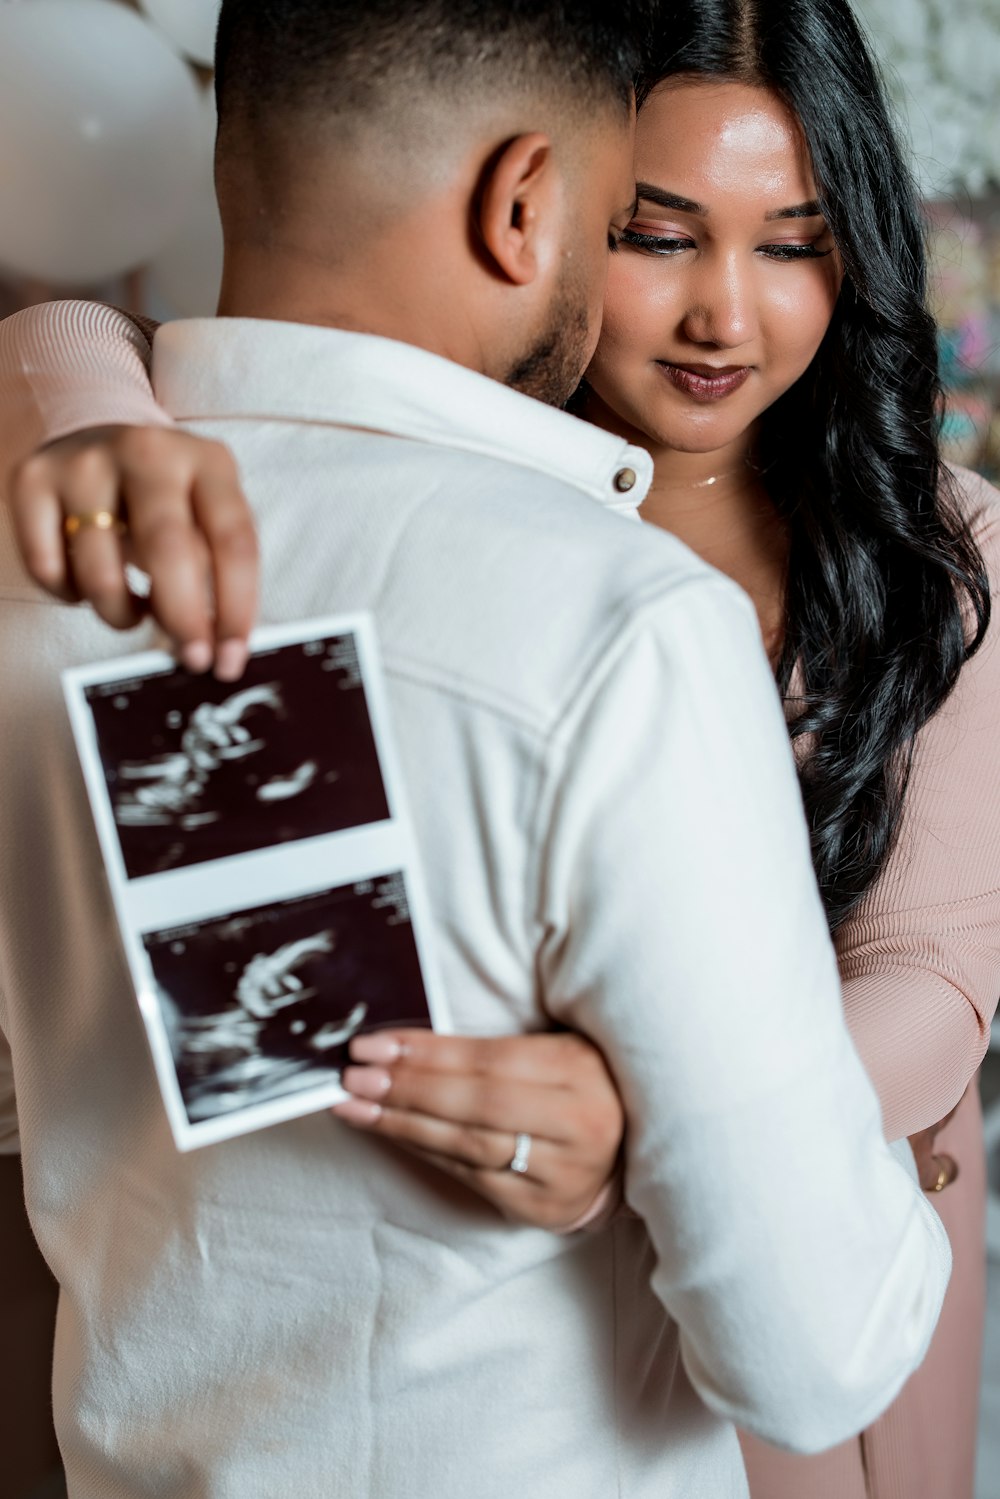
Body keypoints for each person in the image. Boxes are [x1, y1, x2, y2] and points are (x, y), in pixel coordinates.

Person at [3, 2, 995, 1497]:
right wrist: (71, 402)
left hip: (775, 1235)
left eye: (793, 241)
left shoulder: (926, 548)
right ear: (542, 204)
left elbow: (939, 974)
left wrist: (651, 1114)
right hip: (604, 1335)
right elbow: (294, 1077)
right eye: (652, 232)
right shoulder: (252, 554)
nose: (726, 312)